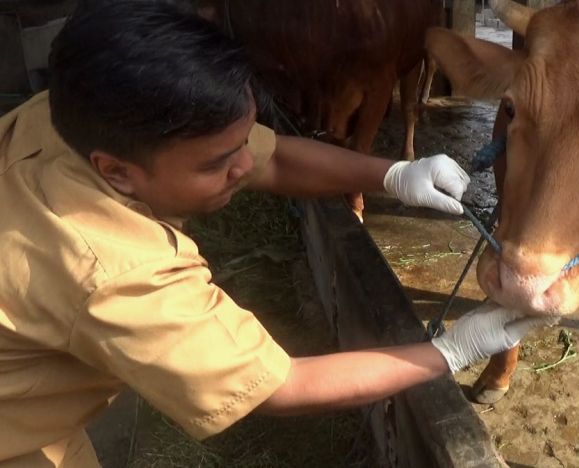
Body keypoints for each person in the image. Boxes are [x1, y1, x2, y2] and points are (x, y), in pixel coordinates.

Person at [0, 2, 544, 467]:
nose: (243, 166)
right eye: (217, 163)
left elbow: (273, 157)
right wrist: (450, 351)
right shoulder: (116, 271)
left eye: (243, 140)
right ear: (116, 171)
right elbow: (282, 385)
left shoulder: (72, 112)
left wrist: (394, 175)